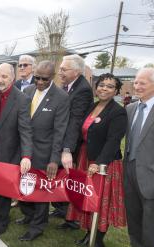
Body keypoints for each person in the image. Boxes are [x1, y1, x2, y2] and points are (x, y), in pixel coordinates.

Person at [66, 73, 127, 247]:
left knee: (100, 202)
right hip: (86, 158)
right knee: (86, 197)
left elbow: (114, 141)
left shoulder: (118, 112)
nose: (104, 89)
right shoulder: (93, 106)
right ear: (96, 87)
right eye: (101, 85)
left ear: (116, 91)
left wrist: (99, 163)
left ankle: (98, 241)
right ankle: (88, 234)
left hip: (103, 163)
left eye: (109, 86)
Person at [16, 60, 69, 241]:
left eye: (43, 79)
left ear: (52, 77)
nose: (38, 82)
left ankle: (37, 226)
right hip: (24, 149)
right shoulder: (28, 91)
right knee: (24, 184)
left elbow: (59, 131)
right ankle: (28, 215)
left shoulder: (61, 97)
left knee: (40, 191)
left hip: (44, 152)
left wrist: (54, 159)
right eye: (36, 77)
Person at [0, 63, 32, 236]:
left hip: (8, 149)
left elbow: (25, 129)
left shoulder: (22, 99)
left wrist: (26, 155)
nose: (0, 80)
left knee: (3, 186)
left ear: (12, 78)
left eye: (4, 77)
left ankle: (2, 220)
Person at [122, 68, 154, 247]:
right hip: (130, 170)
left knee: (150, 222)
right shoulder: (131, 109)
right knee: (134, 214)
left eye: (142, 83)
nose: (137, 87)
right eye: (136, 82)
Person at [56, 54, 94, 229]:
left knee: (71, 180)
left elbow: (75, 121)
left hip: (74, 144)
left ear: (77, 72)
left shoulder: (83, 90)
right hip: (63, 139)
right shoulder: (67, 86)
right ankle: (62, 209)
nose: (60, 72)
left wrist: (67, 149)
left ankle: (72, 217)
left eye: (64, 69)